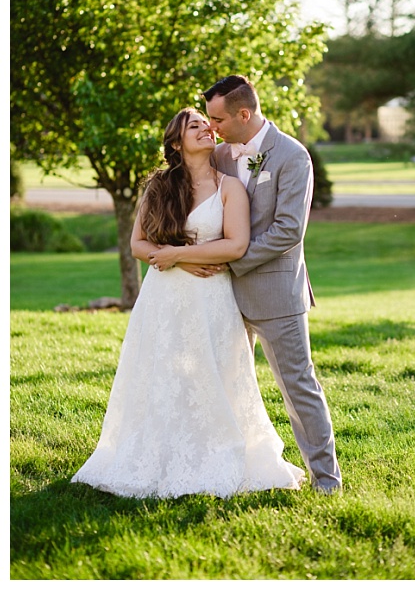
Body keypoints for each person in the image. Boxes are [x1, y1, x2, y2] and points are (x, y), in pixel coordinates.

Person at [73, 108, 305, 498]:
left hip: (210, 295)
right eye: (194, 126)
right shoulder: (158, 187)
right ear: (177, 143)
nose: (206, 129)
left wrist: (178, 256)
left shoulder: (229, 187)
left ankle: (216, 453)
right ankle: (157, 454)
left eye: (206, 123)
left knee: (216, 374)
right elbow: (137, 245)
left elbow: (236, 245)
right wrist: (172, 256)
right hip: (163, 296)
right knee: (162, 373)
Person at [198, 75, 343, 493]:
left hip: (276, 293)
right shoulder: (221, 155)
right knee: (226, 387)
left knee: (297, 386)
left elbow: (288, 231)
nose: (212, 128)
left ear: (244, 114)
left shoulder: (292, 157)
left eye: (218, 119)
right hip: (221, 296)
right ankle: (230, 472)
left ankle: (327, 480)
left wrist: (229, 261)